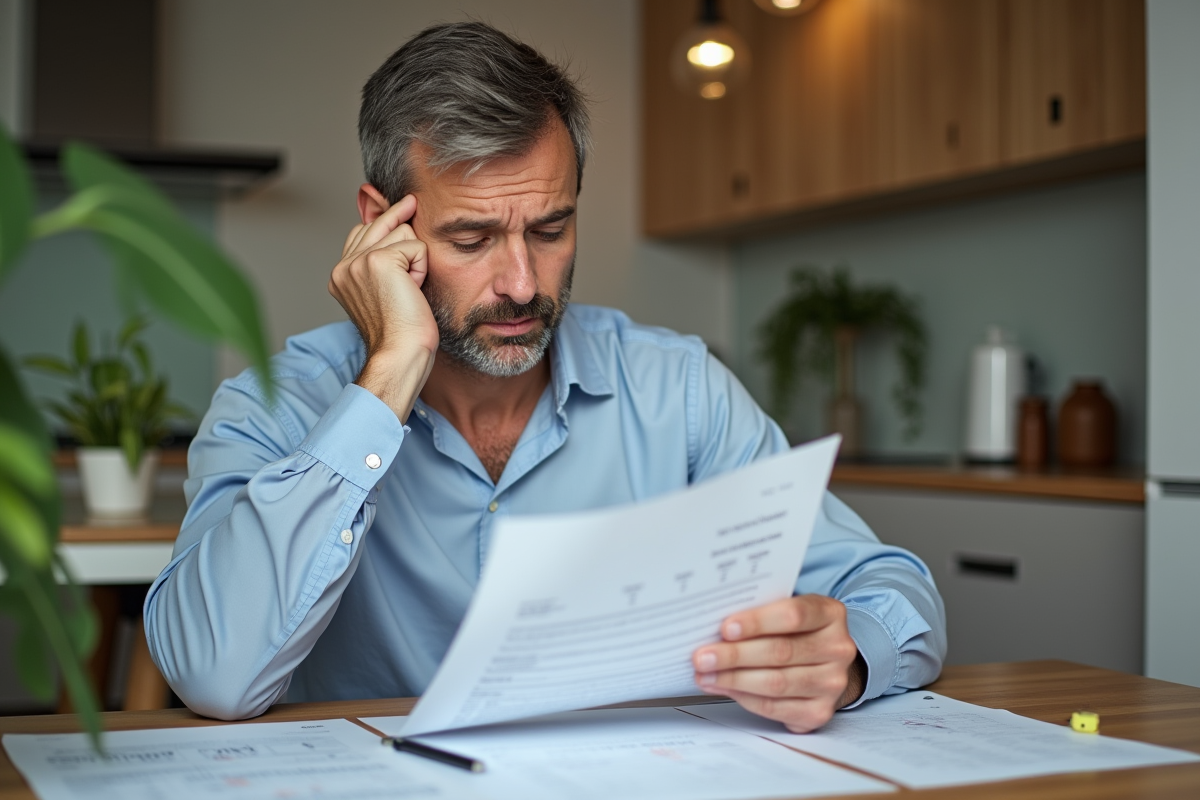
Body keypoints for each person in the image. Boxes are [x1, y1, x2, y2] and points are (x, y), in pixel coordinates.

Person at [144, 21, 945, 732]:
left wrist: (846, 662)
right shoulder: (276, 407)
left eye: (552, 228)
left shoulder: (678, 391)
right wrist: (386, 378)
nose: (523, 283)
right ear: (380, 223)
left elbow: (893, 590)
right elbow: (212, 673)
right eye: (472, 238)